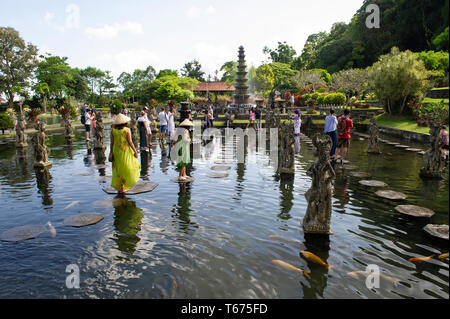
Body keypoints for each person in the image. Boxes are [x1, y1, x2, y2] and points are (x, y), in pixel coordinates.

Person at [108, 114, 140, 194]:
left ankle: (121, 187)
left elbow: (112, 143)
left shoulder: (113, 130)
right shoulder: (127, 130)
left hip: (116, 151)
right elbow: (130, 142)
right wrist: (135, 151)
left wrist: (111, 152)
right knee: (127, 167)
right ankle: (125, 186)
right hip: (125, 151)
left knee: (118, 169)